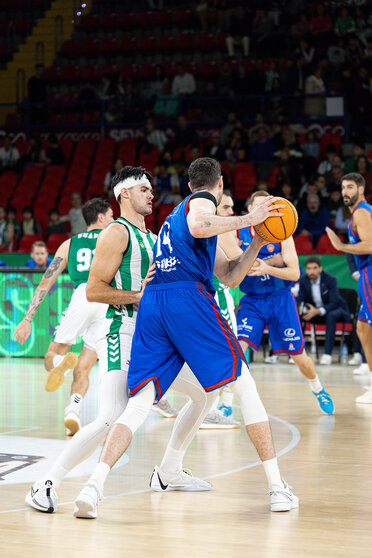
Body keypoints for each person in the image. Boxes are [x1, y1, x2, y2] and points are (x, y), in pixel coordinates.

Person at [72, 158, 298, 519]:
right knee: (245, 387)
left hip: (155, 306)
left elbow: (230, 277)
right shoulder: (200, 202)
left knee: (147, 401)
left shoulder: (173, 220)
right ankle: (277, 487)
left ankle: (96, 486)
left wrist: (256, 240)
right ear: (218, 183)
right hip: (184, 298)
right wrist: (249, 219)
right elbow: (200, 222)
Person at [24, 168, 177, 513]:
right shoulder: (116, 231)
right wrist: (139, 295)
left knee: (205, 392)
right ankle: (46, 483)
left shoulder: (152, 237)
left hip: (153, 336)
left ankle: (172, 468)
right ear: (124, 195)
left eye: (152, 189)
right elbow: (93, 290)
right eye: (143, 189)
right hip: (120, 329)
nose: (152, 194)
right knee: (110, 415)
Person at [15, 199, 114, 435]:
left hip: (83, 296)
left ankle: (60, 363)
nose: (113, 220)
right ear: (100, 218)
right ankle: (73, 411)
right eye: (110, 216)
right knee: (85, 367)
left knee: (51, 355)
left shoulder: (70, 244)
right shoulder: (115, 239)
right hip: (107, 300)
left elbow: (45, 283)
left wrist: (27, 319)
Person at [237, 191, 334, 413]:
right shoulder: (238, 233)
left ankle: (318, 388)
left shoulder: (282, 230)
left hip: (280, 299)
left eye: (268, 206)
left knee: (299, 356)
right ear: (250, 209)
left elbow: (294, 274)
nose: (264, 211)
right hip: (252, 300)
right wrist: (275, 259)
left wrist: (267, 266)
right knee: (239, 352)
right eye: (259, 206)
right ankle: (225, 404)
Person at [326, 173, 372, 402]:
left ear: (361, 190)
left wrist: (340, 245)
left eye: (351, 187)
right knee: (363, 329)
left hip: (370, 273)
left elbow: (370, 245)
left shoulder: (362, 212)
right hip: (367, 273)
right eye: (343, 187)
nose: (346, 192)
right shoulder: (362, 212)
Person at [201, 190, 242, 428]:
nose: (231, 212)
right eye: (226, 207)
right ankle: (212, 411)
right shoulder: (221, 229)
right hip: (218, 296)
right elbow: (243, 261)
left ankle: (215, 407)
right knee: (228, 355)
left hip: (205, 296)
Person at [298, 257, 351, 364]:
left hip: (335, 310)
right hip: (314, 311)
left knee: (330, 316)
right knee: (298, 316)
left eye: (314, 268)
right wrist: (304, 310)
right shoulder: (303, 280)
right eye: (308, 268)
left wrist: (317, 311)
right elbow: (301, 300)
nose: (311, 271)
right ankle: (298, 353)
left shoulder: (330, 279)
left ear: (320, 268)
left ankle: (327, 355)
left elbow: (334, 302)